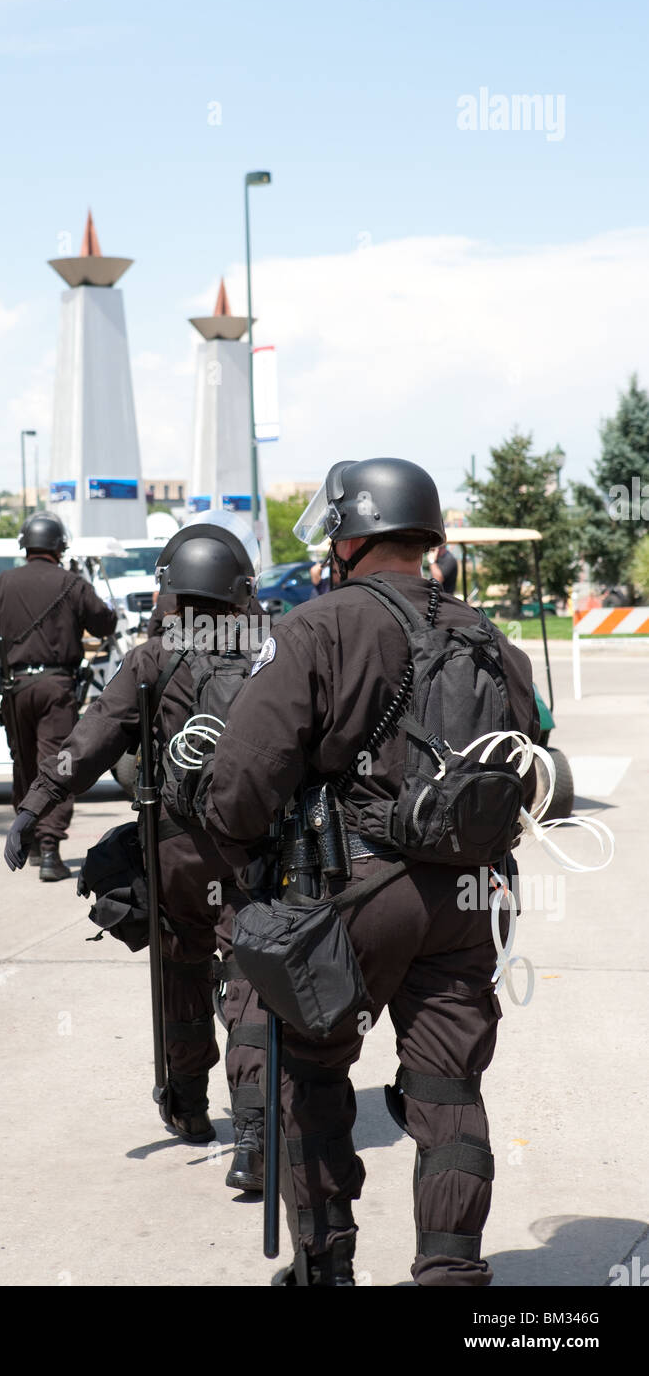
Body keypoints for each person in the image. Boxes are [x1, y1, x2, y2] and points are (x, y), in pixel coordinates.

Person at [205, 458, 539, 1286]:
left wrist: (240, 861)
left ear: (349, 538)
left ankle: (326, 1265)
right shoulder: (490, 640)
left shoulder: (319, 626)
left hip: (349, 898)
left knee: (312, 1079)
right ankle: (452, 1272)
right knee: (448, 1087)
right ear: (425, 536)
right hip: (470, 896)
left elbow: (244, 780)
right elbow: (532, 768)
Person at [2, 511, 269, 1182]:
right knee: (252, 981)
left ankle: (188, 1106)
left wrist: (35, 808)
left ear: (173, 590)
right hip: (255, 845)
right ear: (238, 589)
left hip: (177, 848)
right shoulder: (272, 649)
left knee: (181, 972)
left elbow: (87, 744)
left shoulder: (152, 657)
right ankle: (258, 1136)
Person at [0, 510, 117, 882]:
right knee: (58, 764)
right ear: (59, 546)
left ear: (26, 545)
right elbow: (106, 624)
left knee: (24, 763)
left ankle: (28, 840)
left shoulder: (2, 582)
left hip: (14, 688)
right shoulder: (72, 583)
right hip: (57, 687)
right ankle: (49, 851)